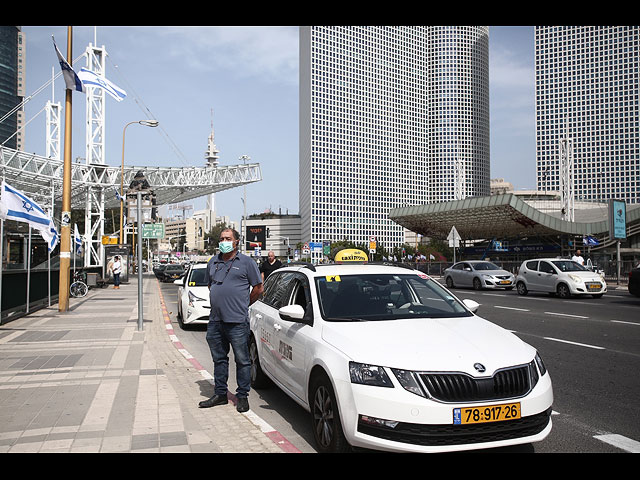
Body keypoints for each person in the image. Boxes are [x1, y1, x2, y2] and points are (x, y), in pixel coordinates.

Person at [199, 228, 263, 413]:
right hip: (216, 321)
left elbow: (258, 288)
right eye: (221, 239)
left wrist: (243, 304)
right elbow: (211, 286)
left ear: (236, 242)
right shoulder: (213, 262)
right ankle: (220, 393)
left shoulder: (246, 262)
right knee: (219, 359)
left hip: (237, 322)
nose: (224, 241)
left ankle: (242, 396)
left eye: (228, 238)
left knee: (242, 360)